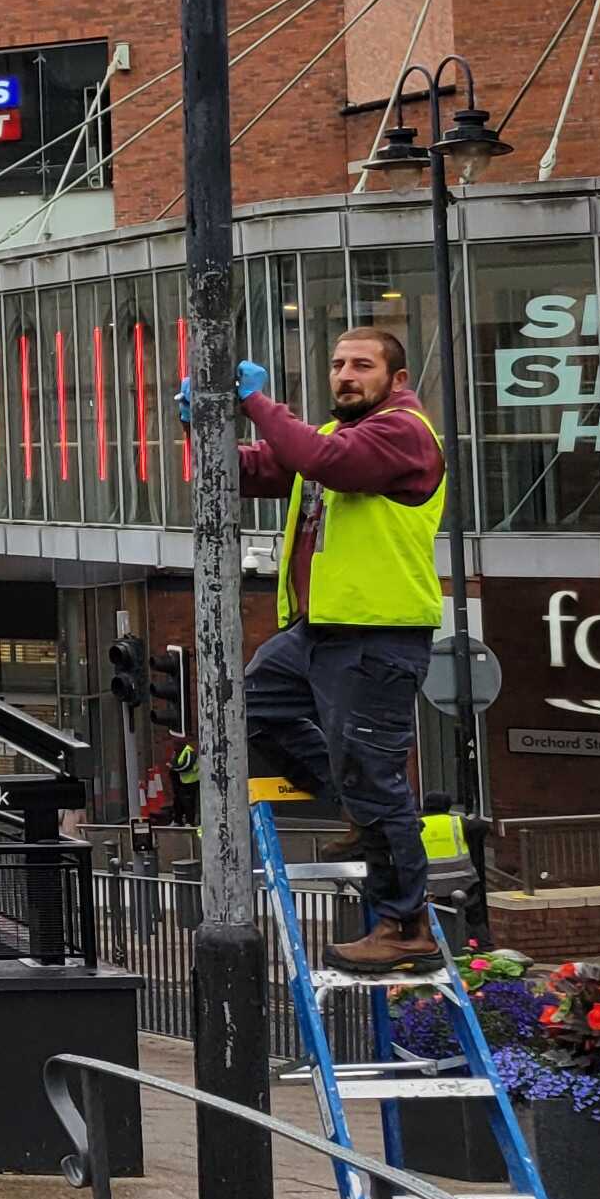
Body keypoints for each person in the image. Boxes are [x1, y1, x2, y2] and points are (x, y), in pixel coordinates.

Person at [203, 325, 449, 968]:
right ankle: (360, 815)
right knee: (245, 709)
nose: (344, 374)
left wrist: (258, 404)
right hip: (318, 631)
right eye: (337, 363)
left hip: (376, 634)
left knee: (374, 774)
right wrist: (203, 428)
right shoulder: (337, 437)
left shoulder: (402, 434)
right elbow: (259, 468)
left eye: (361, 365)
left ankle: (405, 926)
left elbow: (325, 463)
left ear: (396, 381)